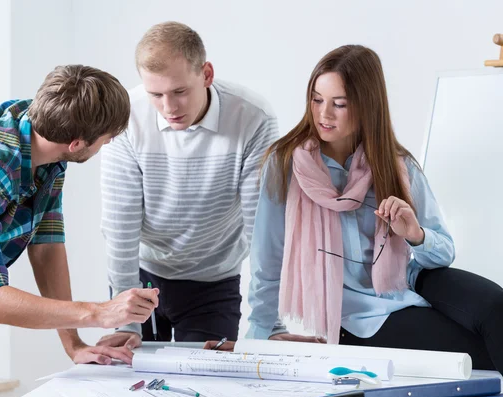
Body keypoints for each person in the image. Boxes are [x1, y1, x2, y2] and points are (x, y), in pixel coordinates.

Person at [212, 45, 503, 372]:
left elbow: (443, 252)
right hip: (355, 315)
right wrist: (259, 338)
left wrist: (414, 234)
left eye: (339, 104)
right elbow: (268, 260)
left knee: (497, 309)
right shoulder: (285, 166)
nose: (324, 114)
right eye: (317, 99)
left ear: (367, 106)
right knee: (477, 353)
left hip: (406, 284)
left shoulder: (397, 165)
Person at [0, 65, 159, 397]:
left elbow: (46, 246)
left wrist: (74, 344)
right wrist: (100, 312)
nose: (108, 142)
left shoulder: (44, 130)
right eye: (107, 138)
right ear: (77, 142)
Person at [97, 21, 279, 350]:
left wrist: (270, 322)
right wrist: (126, 320)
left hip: (213, 281)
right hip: (142, 278)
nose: (169, 107)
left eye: (180, 92)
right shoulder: (126, 118)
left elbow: (262, 228)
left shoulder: (253, 118)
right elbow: (119, 224)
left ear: (206, 74)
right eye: (156, 94)